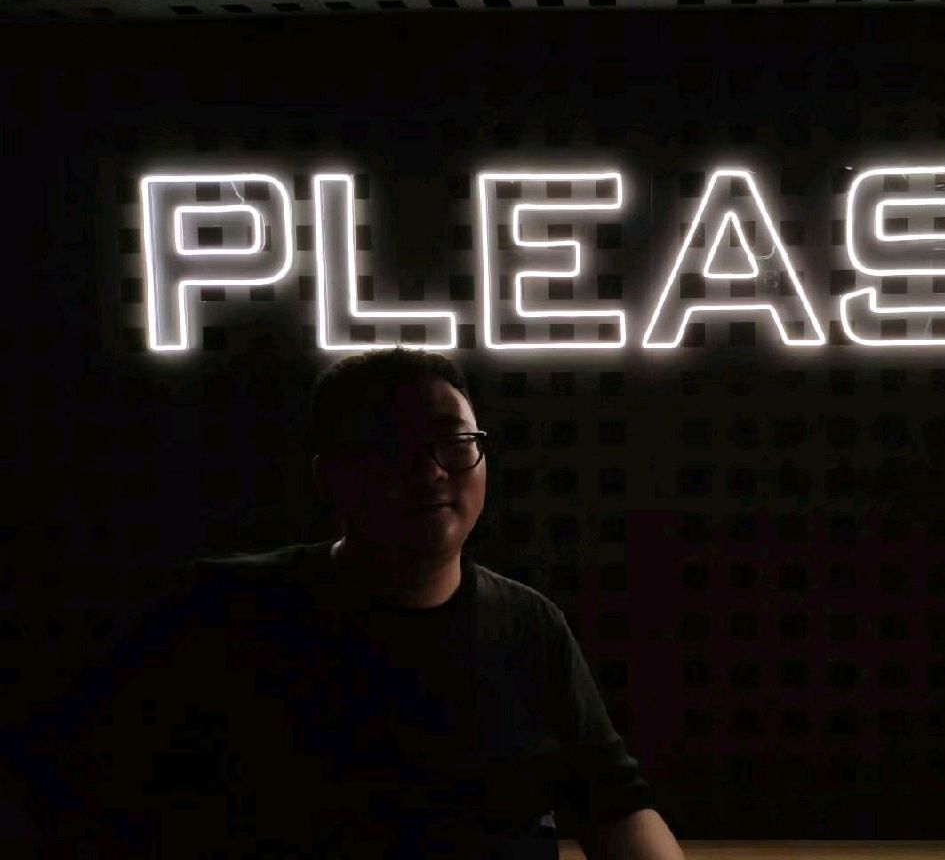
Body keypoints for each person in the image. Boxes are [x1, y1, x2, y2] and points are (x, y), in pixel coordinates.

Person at [38, 347, 685, 859]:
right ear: (330, 477)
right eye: (392, 448)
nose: (431, 471)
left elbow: (614, 805)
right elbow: (82, 788)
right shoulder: (225, 612)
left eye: (453, 442)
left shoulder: (529, 625)